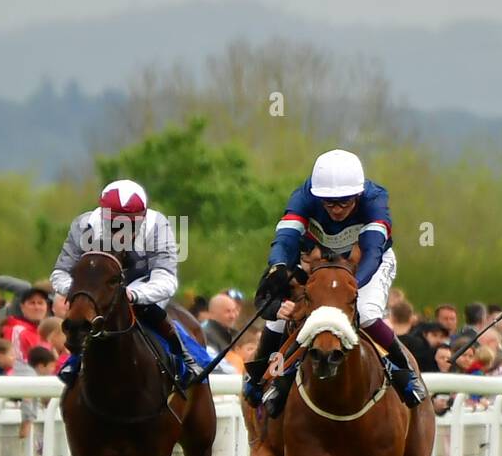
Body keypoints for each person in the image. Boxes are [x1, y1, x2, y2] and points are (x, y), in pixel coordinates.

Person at [246, 148, 426, 413]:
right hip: (317, 261)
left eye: (344, 202)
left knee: (365, 313)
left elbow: (373, 251)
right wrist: (279, 267)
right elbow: (285, 240)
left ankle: (404, 368)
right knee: (280, 316)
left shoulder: (375, 199)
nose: (336, 209)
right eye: (329, 203)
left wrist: (351, 285)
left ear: (358, 194)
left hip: (365, 261)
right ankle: (260, 374)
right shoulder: (303, 197)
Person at [50, 179, 203, 387]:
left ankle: (184, 356)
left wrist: (132, 295)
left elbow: (166, 279)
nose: (121, 230)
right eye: (114, 223)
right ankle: (75, 360)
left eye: (131, 224)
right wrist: (84, 293)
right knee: (84, 318)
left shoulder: (157, 225)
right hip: (97, 291)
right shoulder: (83, 226)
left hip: (143, 284)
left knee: (149, 310)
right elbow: (60, 273)